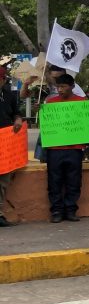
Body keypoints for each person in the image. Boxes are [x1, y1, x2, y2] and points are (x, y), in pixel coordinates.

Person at [45, 74, 87, 223]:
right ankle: (56, 211)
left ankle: (70, 210)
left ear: (72, 86)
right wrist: (41, 112)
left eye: (63, 86)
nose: (60, 90)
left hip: (74, 148)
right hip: (55, 149)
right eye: (58, 87)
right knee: (54, 181)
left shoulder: (82, 102)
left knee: (74, 180)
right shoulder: (50, 103)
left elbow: (88, 123)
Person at [0, 67, 24, 227]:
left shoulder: (9, 94)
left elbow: (16, 113)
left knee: (3, 180)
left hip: (5, 143)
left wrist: (18, 119)